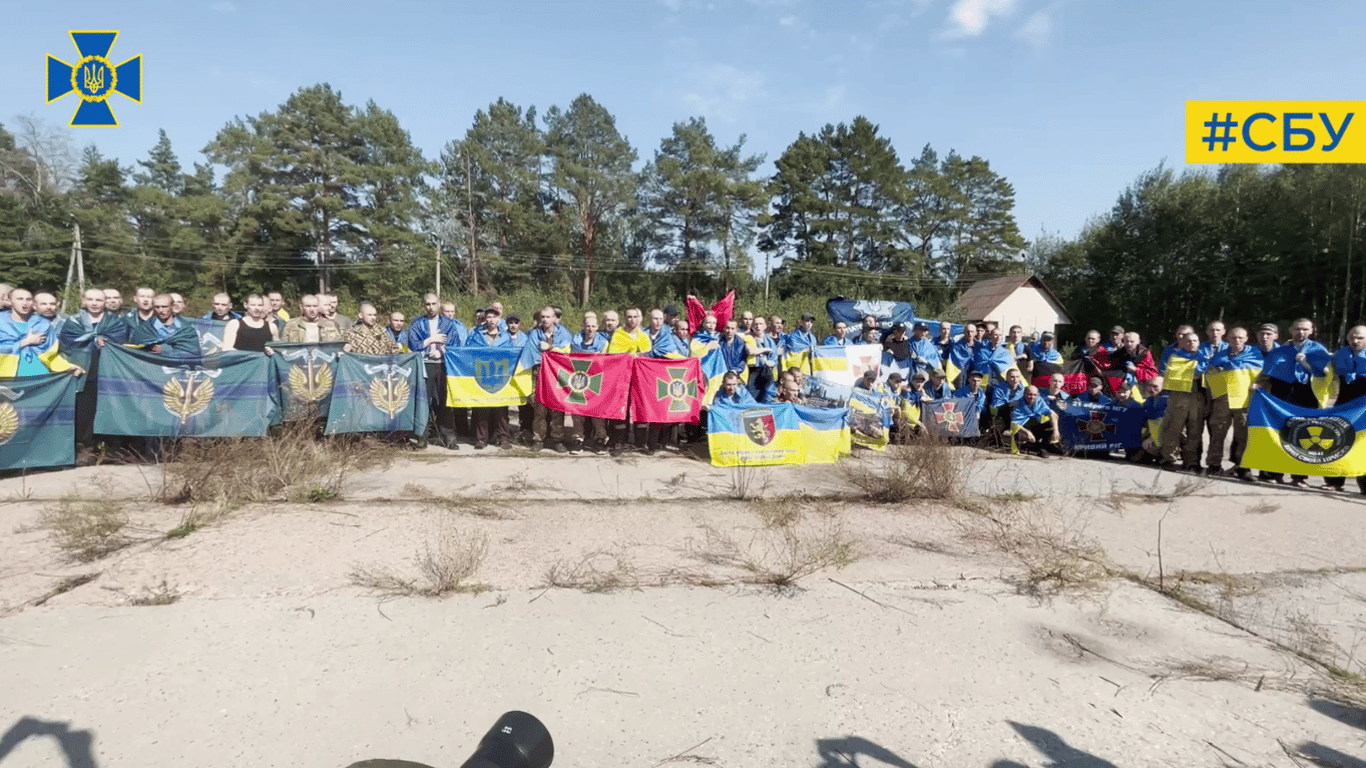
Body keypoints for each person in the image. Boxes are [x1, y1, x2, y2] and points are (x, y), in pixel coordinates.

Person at [1260, 317, 1330, 488]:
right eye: (1297, 328)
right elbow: (1268, 373)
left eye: (1305, 329)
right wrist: (1258, 384)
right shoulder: (1280, 350)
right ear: (1291, 330)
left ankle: (1299, 476)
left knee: (1303, 434)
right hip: (1281, 393)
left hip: (1306, 393)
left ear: (1312, 331)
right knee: (1279, 432)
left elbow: (1324, 374)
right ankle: (1274, 473)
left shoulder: (1318, 349)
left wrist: (1305, 363)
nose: (1301, 332)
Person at [59, 288, 129, 450]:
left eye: (98, 300)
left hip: (109, 372)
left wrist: (110, 342)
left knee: (109, 408)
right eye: (90, 299)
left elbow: (123, 343)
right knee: (84, 409)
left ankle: (111, 447)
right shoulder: (73, 322)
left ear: (105, 303)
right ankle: (85, 446)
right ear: (83, 301)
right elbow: (66, 345)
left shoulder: (116, 322)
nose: (94, 303)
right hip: (83, 372)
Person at [405, 293, 464, 449]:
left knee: (444, 401)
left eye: (433, 303)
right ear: (423, 305)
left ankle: (448, 437)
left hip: (443, 366)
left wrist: (442, 351)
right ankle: (421, 437)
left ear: (439, 304)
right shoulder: (418, 323)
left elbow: (455, 345)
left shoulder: (448, 324)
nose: (431, 307)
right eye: (427, 304)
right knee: (423, 402)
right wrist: (430, 340)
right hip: (425, 365)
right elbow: (412, 344)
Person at [1205, 326, 1260, 479]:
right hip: (1223, 401)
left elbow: (1262, 377)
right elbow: (1210, 376)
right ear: (1227, 338)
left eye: (1240, 338)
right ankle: (1214, 464)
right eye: (1233, 337)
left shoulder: (1255, 354)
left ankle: (1243, 467)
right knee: (1217, 433)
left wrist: (1258, 385)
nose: (1237, 340)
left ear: (1246, 339)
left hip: (1244, 402)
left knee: (1244, 435)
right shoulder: (1218, 356)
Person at [1159, 331, 1207, 472]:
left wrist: (1191, 372)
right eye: (1188, 341)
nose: (1191, 343)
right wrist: (1193, 371)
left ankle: (1192, 462)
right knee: (1173, 429)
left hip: (1197, 398)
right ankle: (1169, 459)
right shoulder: (1174, 357)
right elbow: (1172, 373)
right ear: (1182, 342)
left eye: (1194, 340)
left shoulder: (1204, 357)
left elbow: (1203, 374)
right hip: (1178, 397)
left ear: (1199, 342)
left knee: (1195, 431)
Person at [1325, 326, 1366, 493]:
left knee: (1363, 446)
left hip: (1364, 407)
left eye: (1360, 338)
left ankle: (1365, 486)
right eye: (1352, 338)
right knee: (1338, 442)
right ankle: (1334, 482)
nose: (1355, 341)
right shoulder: (1340, 354)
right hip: (1344, 404)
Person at [466, 306, 513, 450]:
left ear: (499, 318)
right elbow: (468, 352)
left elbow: (511, 355)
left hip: (500, 376)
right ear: (485, 319)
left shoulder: (506, 336)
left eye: (494, 316)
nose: (491, 319)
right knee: (482, 408)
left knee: (501, 409)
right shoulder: (476, 335)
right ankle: (481, 439)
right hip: (483, 375)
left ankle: (504, 438)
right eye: (489, 317)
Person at [0, 288, 76, 376]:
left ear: (33, 303)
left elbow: (50, 355)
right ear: (10, 301)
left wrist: (68, 367)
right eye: (20, 299)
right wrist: (25, 342)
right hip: (7, 378)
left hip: (39, 377)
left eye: (28, 299)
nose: (25, 303)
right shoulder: (1, 322)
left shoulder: (43, 324)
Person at [528, 306, 572, 453]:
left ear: (554, 318)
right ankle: (538, 438)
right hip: (539, 374)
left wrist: (550, 348)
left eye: (548, 317)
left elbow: (567, 353)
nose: (545, 320)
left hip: (557, 376)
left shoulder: (564, 333)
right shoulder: (534, 333)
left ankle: (558, 439)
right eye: (543, 317)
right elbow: (532, 353)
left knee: (557, 408)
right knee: (539, 410)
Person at [570, 311, 609, 454]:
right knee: (577, 412)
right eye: (587, 326)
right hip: (579, 380)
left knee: (597, 412)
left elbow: (605, 362)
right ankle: (578, 439)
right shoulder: (575, 340)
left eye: (593, 326)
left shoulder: (603, 342)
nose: (590, 329)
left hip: (596, 380)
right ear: (583, 326)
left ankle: (600, 440)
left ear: (597, 327)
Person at [132, 292, 200, 357]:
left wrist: (166, 350)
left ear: (172, 306)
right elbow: (135, 349)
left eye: (164, 307)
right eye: (157, 307)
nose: (161, 310)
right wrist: (149, 347)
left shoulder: (186, 329)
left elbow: (192, 353)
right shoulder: (145, 328)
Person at [1010, 386, 1061, 455]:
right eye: (1029, 394)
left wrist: (1056, 431)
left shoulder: (1039, 400)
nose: (1032, 397)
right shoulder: (1018, 403)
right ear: (1024, 394)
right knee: (1021, 432)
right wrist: (1027, 432)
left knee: (1055, 422)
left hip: (1035, 426)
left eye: (1034, 395)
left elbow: (1052, 414)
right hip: (1023, 428)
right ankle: (1032, 446)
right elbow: (1014, 423)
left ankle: (1044, 446)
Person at [744, 316, 778, 403]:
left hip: (767, 370)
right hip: (754, 370)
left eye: (760, 324)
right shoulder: (749, 338)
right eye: (756, 324)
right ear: (752, 326)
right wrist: (765, 350)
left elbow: (774, 355)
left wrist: (772, 363)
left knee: (767, 395)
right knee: (753, 395)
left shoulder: (769, 340)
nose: (758, 326)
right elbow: (750, 351)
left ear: (765, 326)